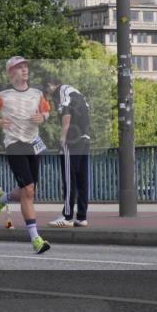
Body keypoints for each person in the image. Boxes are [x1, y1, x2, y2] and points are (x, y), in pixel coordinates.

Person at [0, 56, 52, 254]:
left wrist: (43, 117)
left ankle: (1, 199)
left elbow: (46, 112)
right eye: (19, 67)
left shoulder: (37, 93)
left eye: (25, 66)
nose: (24, 70)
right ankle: (36, 239)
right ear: (11, 72)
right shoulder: (3, 94)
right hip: (14, 144)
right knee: (29, 191)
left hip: (33, 144)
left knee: (28, 191)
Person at [43, 76, 91, 227]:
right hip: (84, 138)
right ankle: (82, 217)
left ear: (51, 85)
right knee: (82, 179)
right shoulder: (75, 91)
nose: (49, 93)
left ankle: (67, 216)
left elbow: (66, 113)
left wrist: (63, 138)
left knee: (69, 178)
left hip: (72, 140)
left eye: (47, 89)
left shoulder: (61, 92)